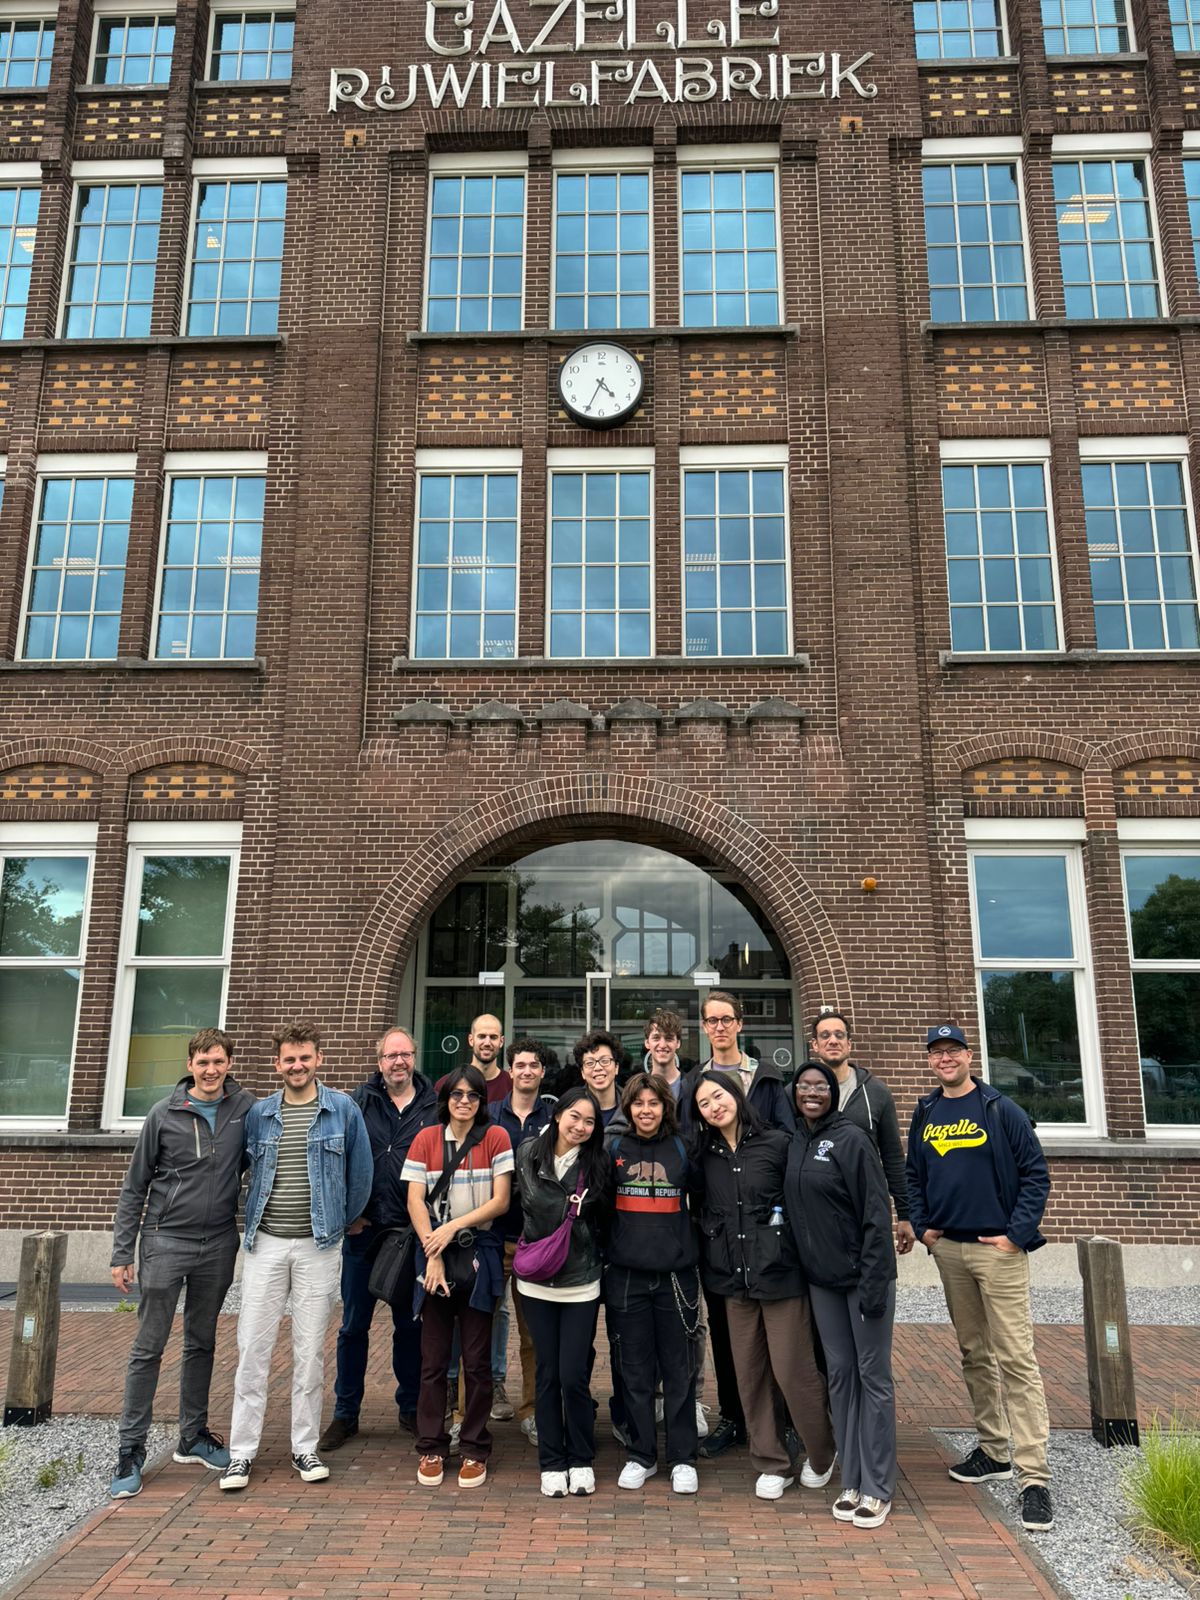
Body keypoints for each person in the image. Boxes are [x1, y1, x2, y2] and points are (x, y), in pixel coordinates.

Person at [906, 1024, 1054, 1534]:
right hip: (950, 1250)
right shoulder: (925, 1112)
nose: (945, 1059)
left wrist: (1016, 1235)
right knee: (974, 1352)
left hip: (999, 1251)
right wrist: (926, 1230)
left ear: (970, 1055)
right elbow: (912, 1174)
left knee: (1016, 1356)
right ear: (930, 1061)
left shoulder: (999, 1109)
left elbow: (1036, 1173)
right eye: (936, 1053)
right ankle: (994, 1450)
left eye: (953, 1051)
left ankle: (1034, 1477)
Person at [220, 1023, 372, 1493]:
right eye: (289, 1059)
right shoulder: (259, 1114)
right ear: (277, 1064)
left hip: (318, 1248)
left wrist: (340, 1223)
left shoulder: (343, 1109)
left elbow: (361, 1173)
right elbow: (240, 1170)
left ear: (318, 1059)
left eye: (305, 1057)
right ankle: (241, 1453)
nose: (297, 1066)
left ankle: (304, 1447)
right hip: (265, 1244)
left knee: (309, 1353)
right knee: (252, 1349)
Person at [108, 1028, 254, 1499]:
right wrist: (121, 1252)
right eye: (202, 1062)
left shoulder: (245, 1110)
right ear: (190, 1065)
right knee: (148, 1347)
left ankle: (192, 1437)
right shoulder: (163, 1114)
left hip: (218, 1244)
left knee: (201, 1342)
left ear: (229, 1064)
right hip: (165, 1242)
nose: (211, 1070)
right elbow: (135, 1187)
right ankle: (130, 1450)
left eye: (219, 1061)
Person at [690, 1069, 836, 1502]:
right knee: (750, 1375)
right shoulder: (705, 1154)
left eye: (719, 1096)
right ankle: (771, 1461)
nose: (715, 1106)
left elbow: (800, 1205)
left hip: (780, 1274)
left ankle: (821, 1452)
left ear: (735, 1094)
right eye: (703, 1103)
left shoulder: (777, 1143)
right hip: (732, 1280)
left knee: (793, 1371)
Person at [786, 1061, 897, 1528]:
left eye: (820, 1086)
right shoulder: (796, 1141)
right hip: (822, 1282)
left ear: (833, 1092)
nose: (811, 1092)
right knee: (840, 1377)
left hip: (863, 1279)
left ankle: (877, 1485)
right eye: (804, 1086)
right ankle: (850, 1477)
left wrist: (873, 1281)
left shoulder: (852, 1139)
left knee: (873, 1378)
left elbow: (875, 1214)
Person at [319, 1026, 437, 1453]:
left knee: (409, 1326)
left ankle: (408, 1408)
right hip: (364, 1235)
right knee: (353, 1327)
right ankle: (345, 1413)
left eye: (405, 1054)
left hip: (409, 1236)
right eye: (391, 1056)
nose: (399, 1062)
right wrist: (347, 1217)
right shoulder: (356, 1104)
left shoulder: (433, 1107)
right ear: (379, 1061)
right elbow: (335, 1161)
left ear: (414, 1056)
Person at [404, 1064, 513, 1490]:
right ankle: (431, 1443)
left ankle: (473, 1446)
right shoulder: (426, 1138)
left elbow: (501, 1201)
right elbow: (415, 1199)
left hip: (479, 1252)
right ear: (444, 1098)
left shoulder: (496, 1138)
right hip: (431, 1250)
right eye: (456, 1094)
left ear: (482, 1100)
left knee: (477, 1360)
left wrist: (452, 1229)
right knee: (432, 1360)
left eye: (472, 1095)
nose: (464, 1101)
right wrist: (433, 1249)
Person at [513, 1086, 612, 1497]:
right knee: (547, 1374)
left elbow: (606, 1222)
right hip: (535, 1282)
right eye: (575, 1116)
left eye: (590, 1121)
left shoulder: (599, 1164)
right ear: (558, 1114)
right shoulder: (527, 1154)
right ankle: (552, 1461)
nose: (581, 1127)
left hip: (580, 1282)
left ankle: (581, 1458)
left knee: (574, 1375)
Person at [606, 1073, 701, 1495]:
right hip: (626, 1275)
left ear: (666, 1107)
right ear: (628, 1107)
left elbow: (701, 1204)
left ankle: (682, 1457)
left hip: (675, 1277)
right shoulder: (614, 1149)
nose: (646, 1110)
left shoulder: (684, 1147)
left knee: (678, 1369)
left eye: (654, 1103)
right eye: (639, 1103)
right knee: (634, 1371)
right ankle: (641, 1454)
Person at [489, 1036, 554, 1439]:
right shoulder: (490, 1114)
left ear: (542, 1072)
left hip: (536, 1241)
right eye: (520, 1065)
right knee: (479, 1328)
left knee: (534, 1333)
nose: (527, 1070)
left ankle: (532, 1410)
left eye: (534, 1065)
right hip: (493, 1238)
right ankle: (469, 1414)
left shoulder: (554, 1115)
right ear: (509, 1070)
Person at [809, 1010, 915, 1255]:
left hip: (866, 1207)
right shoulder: (798, 1093)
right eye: (825, 1035)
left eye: (839, 1035)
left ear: (849, 1043)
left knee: (872, 1281)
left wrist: (906, 1215)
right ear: (815, 1044)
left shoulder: (877, 1093)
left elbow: (892, 1157)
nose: (833, 1040)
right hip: (817, 1209)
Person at [436, 1013, 511, 1106]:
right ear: (471, 1040)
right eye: (482, 1036)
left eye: (493, 1037)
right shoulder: (446, 1084)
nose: (487, 1043)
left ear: (501, 1041)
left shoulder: (512, 1085)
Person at [573, 1029, 625, 1127]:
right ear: (582, 1072)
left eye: (604, 1061)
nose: (598, 1068)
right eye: (590, 1063)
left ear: (616, 1067)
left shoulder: (632, 1105)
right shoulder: (571, 1108)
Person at [641, 1008, 688, 1101]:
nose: (662, 1045)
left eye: (669, 1038)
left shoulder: (693, 1087)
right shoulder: (637, 1089)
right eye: (656, 1038)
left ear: (678, 1043)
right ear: (647, 1043)